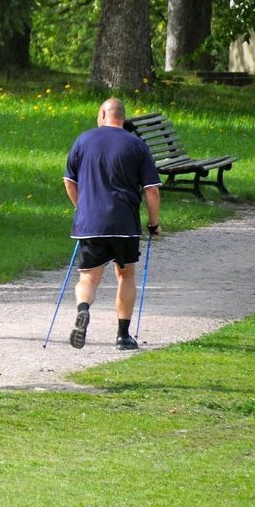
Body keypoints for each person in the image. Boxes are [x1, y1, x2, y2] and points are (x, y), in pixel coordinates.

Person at [63, 98, 161, 351]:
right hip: (124, 223)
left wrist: (81, 207)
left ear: (103, 113)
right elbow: (152, 190)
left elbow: (69, 181)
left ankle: (83, 309)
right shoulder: (137, 145)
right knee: (125, 275)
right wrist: (153, 224)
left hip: (90, 221)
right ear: (123, 117)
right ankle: (122, 336)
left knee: (88, 277)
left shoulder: (83, 140)